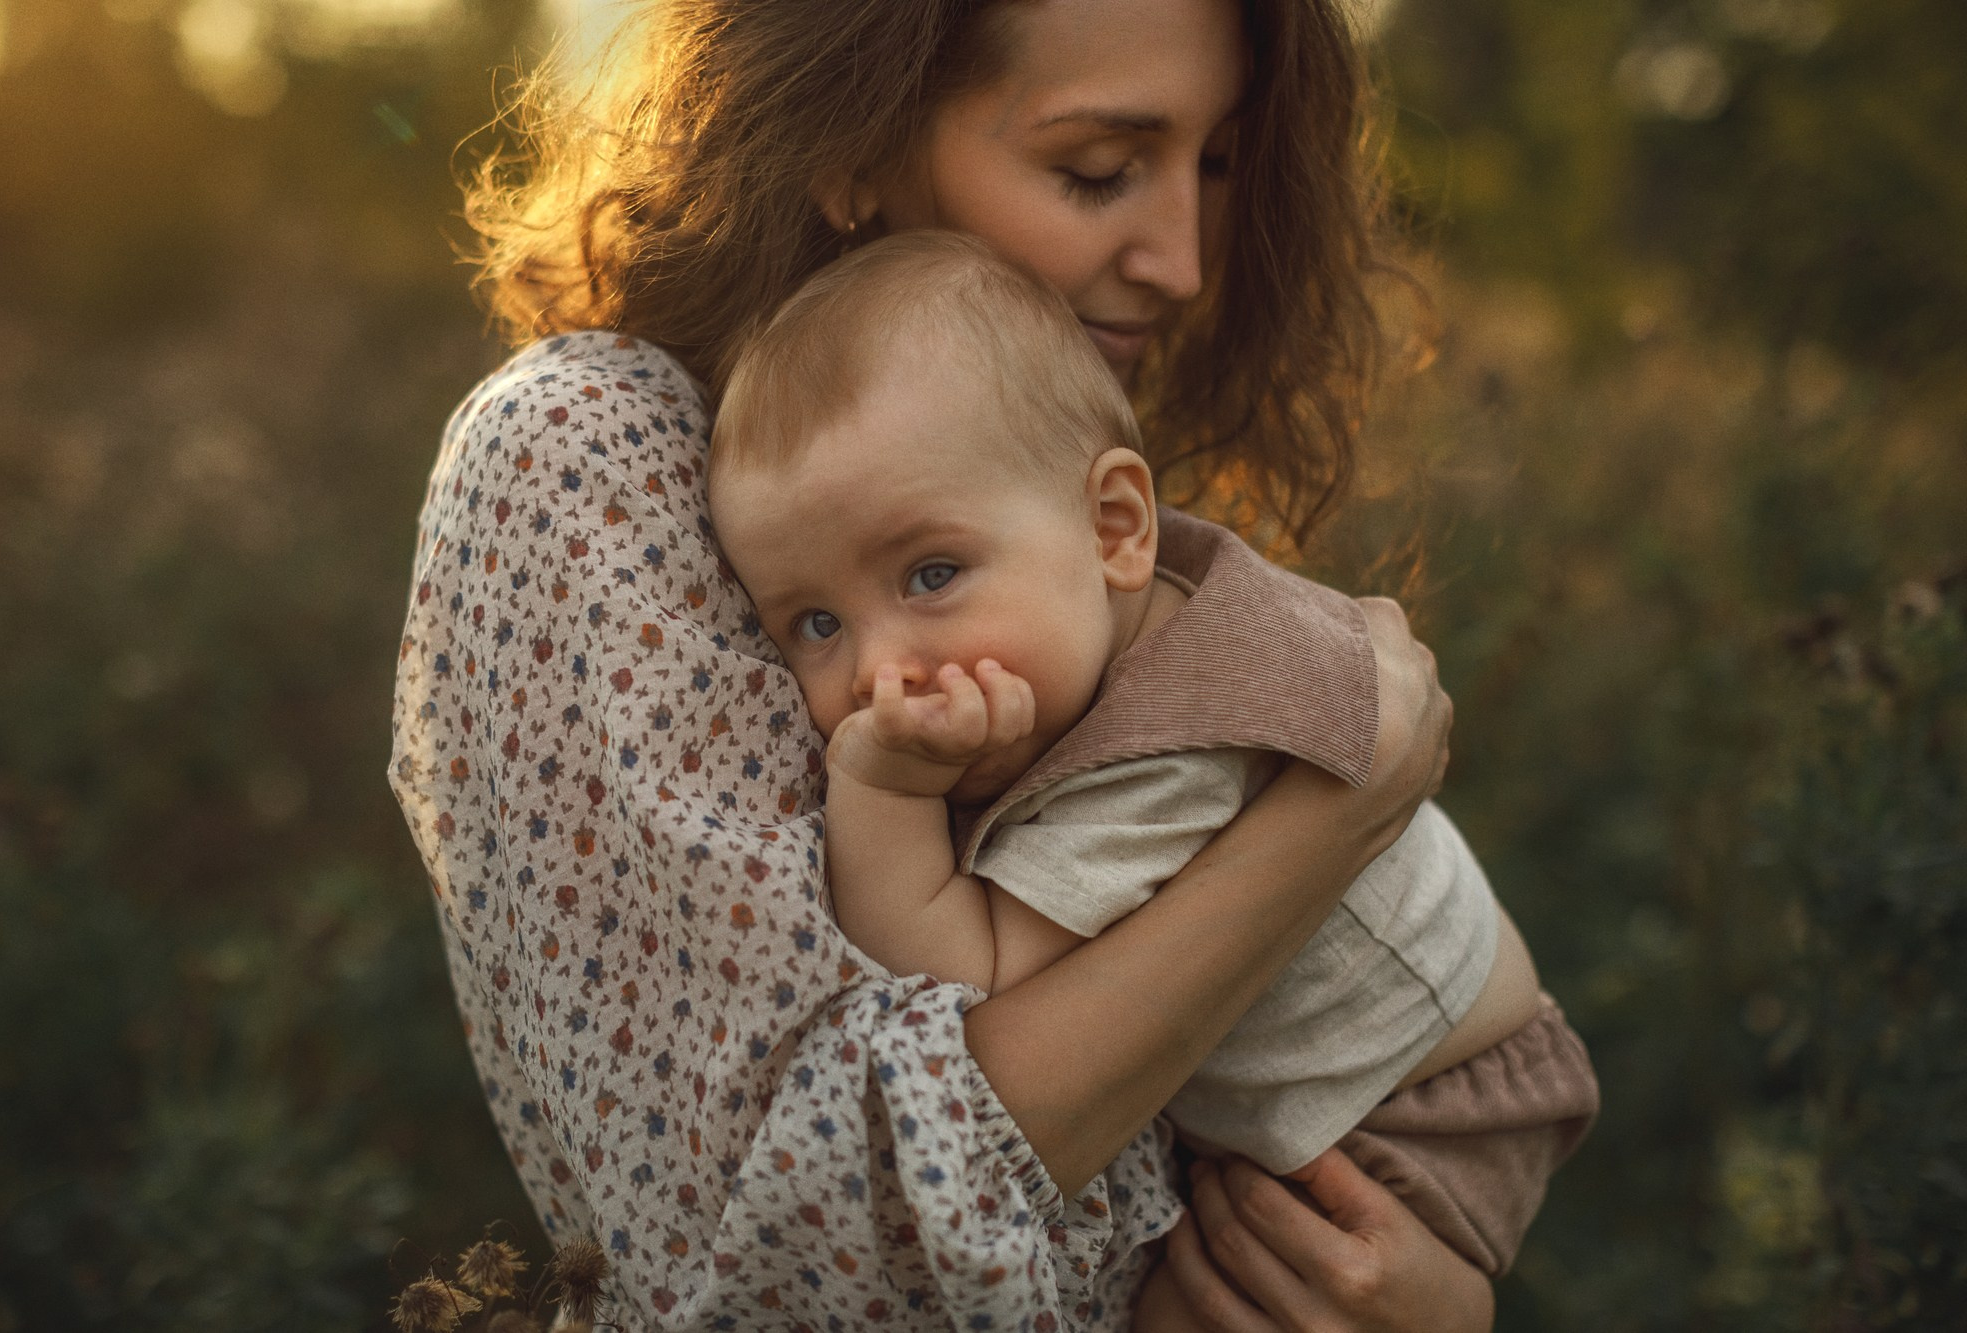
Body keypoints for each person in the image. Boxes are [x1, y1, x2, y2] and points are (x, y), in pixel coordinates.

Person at [392, 0, 1571, 1326]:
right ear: (849, 141)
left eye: (1220, 164)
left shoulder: (1019, 464)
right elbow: (806, 1239)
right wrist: (1325, 826)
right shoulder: (585, 454)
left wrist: (1426, 1299)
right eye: (1096, 170)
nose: (1183, 258)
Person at [706, 229, 1594, 1291]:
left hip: (1418, 1116)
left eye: (931, 573)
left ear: (1114, 526)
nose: (877, 671)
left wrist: (879, 787)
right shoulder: (1120, 621)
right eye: (812, 625)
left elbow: (955, 988)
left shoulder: (1170, 748)